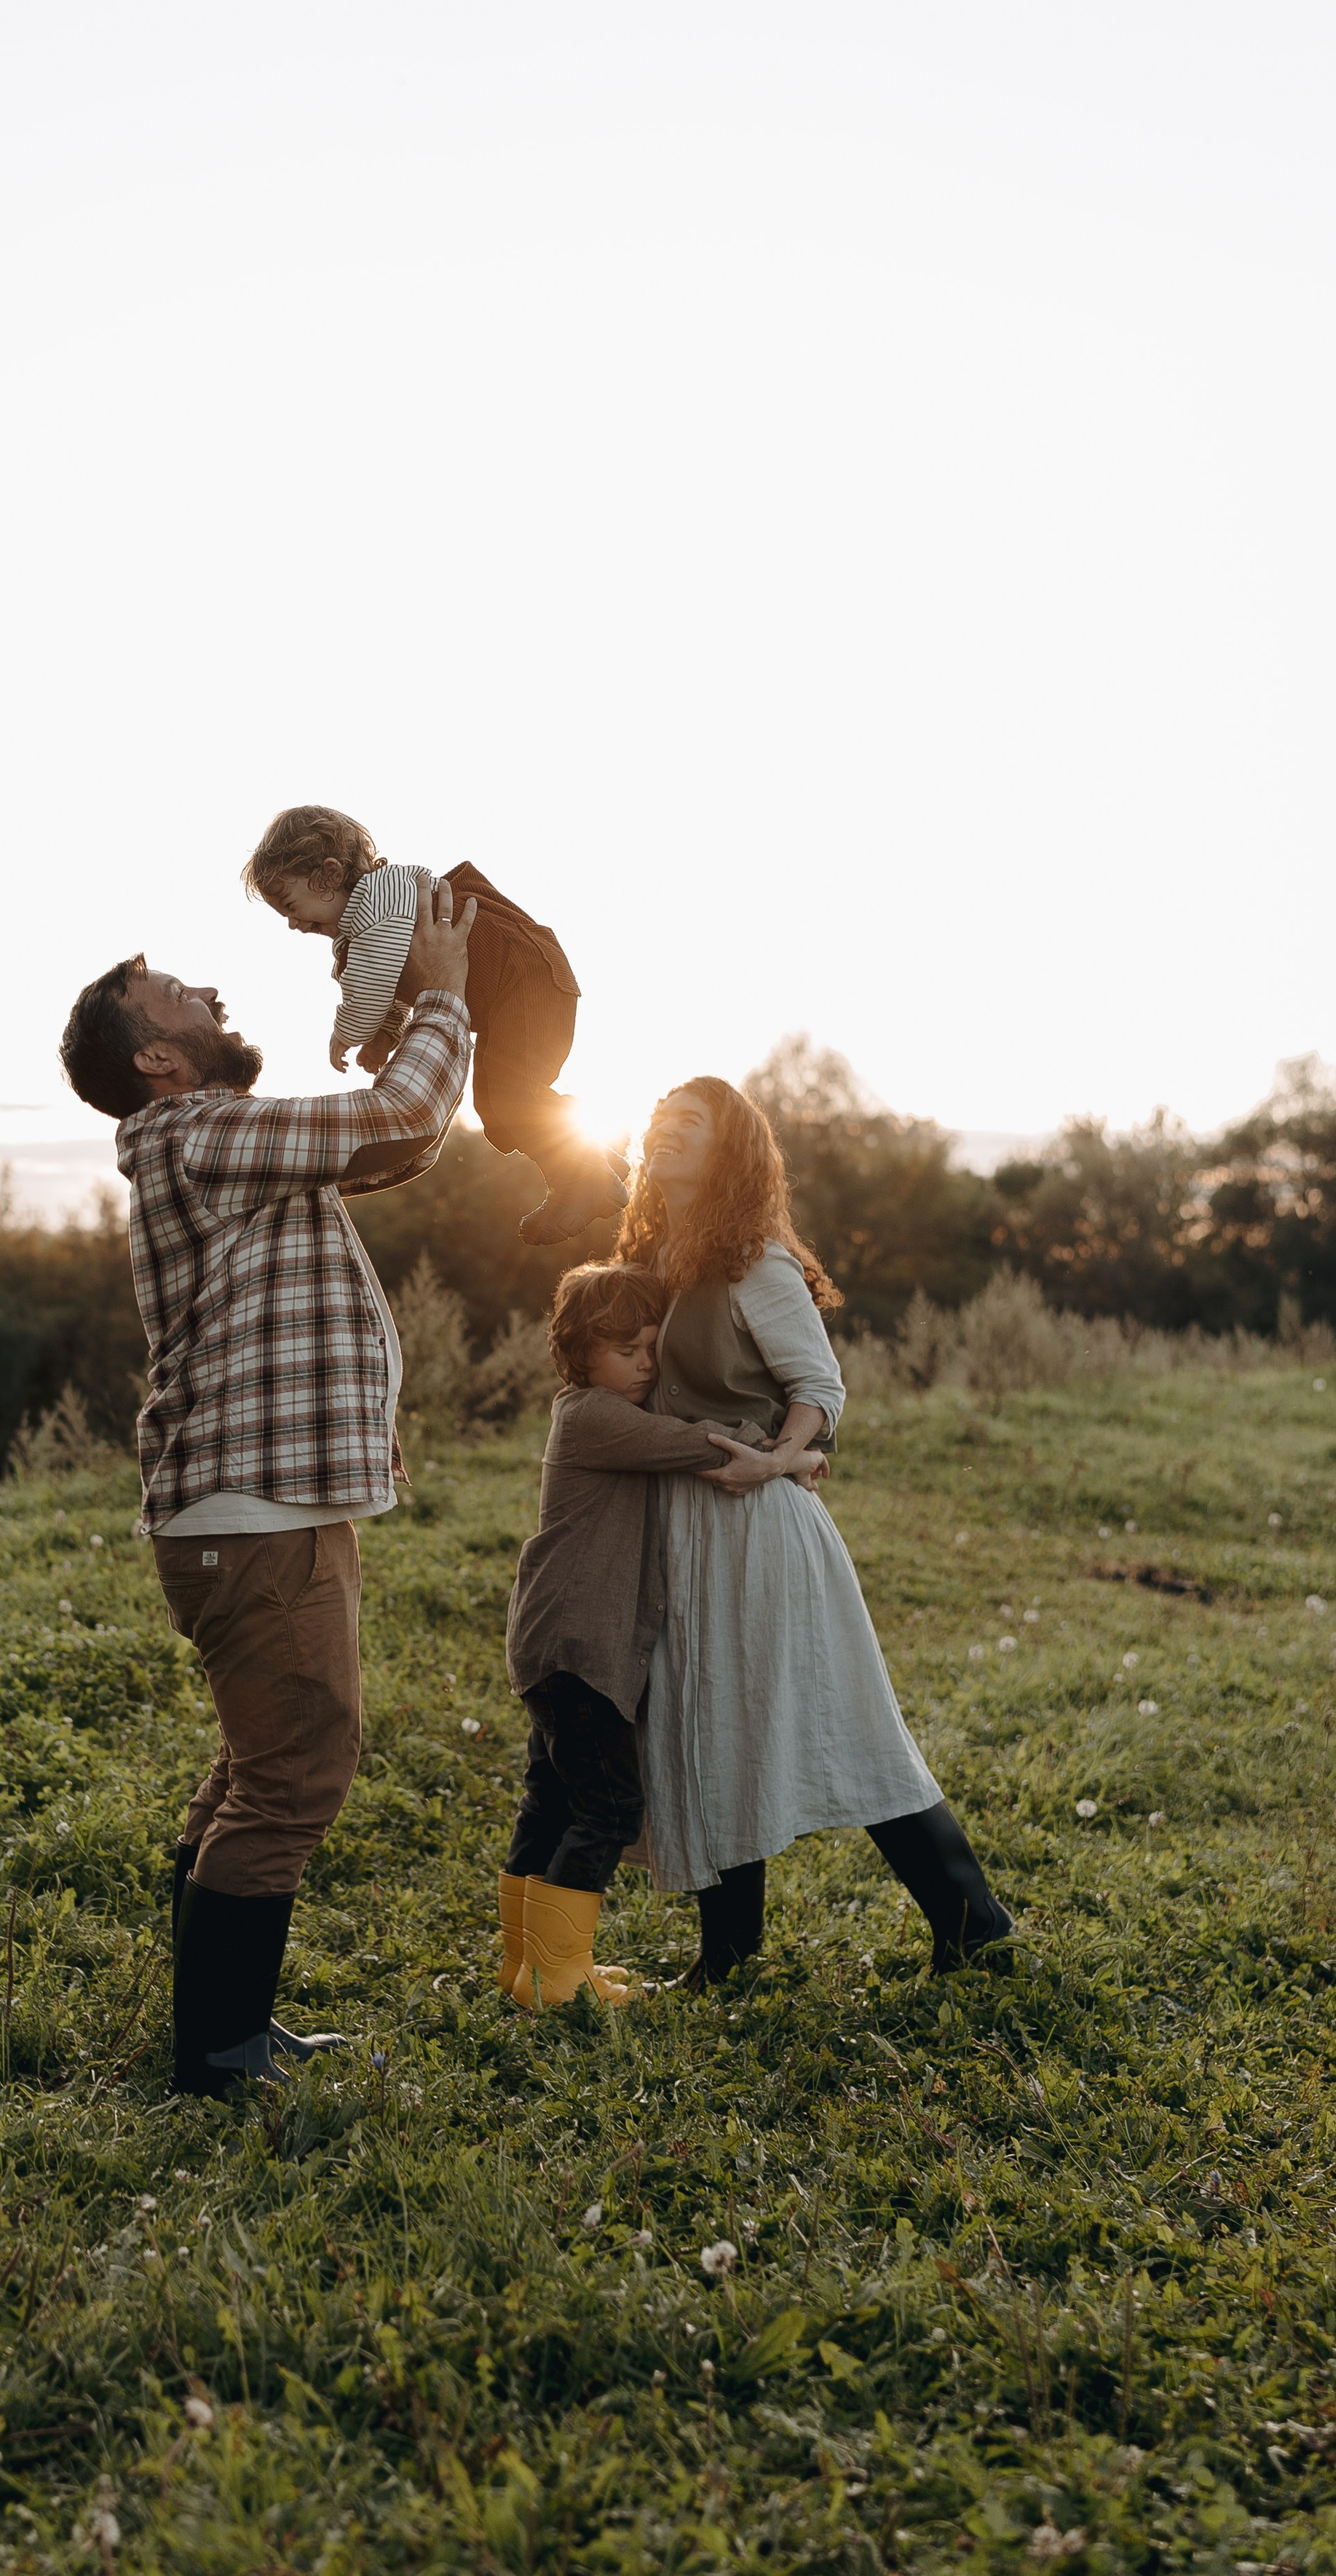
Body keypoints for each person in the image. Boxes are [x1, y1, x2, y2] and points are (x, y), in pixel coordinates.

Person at [57, 881, 476, 2092]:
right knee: (295, 1771)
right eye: (181, 996)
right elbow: (397, 1111)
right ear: (160, 1058)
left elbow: (399, 1135)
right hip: (251, 1511)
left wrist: (419, 1028)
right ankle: (222, 2054)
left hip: (258, 1505)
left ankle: (223, 2028)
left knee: (261, 1765)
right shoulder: (205, 1134)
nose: (212, 995)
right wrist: (443, 992)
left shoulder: (214, 1145)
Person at [617, 1076, 1013, 1985]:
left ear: (729, 1152)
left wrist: (783, 1457)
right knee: (707, 1719)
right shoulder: (653, 1255)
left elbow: (819, 1387)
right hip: (680, 1527)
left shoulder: (754, 1260)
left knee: (849, 1725)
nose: (665, 1131)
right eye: (659, 1118)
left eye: (691, 1125)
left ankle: (974, 1923)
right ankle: (727, 1953)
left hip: (754, 1527)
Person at [498, 1262, 826, 2010]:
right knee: (607, 1810)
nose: (646, 1364)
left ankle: (526, 1966)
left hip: (555, 1641)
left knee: (548, 1800)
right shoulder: (595, 1417)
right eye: (626, 1351)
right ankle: (557, 1977)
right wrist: (792, 1454)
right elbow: (703, 1444)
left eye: (651, 1347)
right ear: (578, 1354)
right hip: (580, 1648)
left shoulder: (590, 1411)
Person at [242, 803, 627, 1245]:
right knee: (499, 1107)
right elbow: (394, 981)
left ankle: (580, 1180)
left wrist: (346, 1034)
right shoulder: (371, 928)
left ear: (329, 876)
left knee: (508, 1097)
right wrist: (385, 1036)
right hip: (516, 992)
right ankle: (592, 1165)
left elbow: (368, 989)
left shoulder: (378, 905)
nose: (292, 924)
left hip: (527, 980)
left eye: (290, 905)